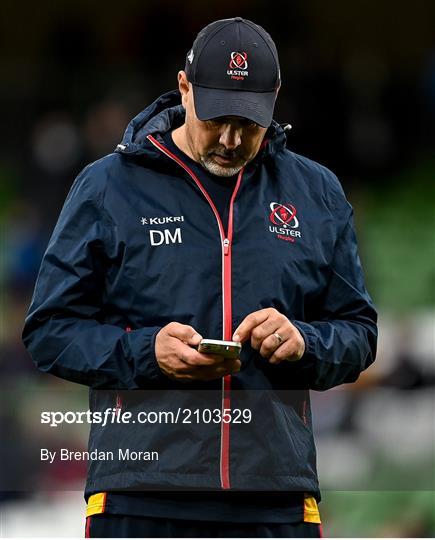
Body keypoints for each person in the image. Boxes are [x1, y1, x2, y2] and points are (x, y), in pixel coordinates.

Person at [23, 17, 378, 538]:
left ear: (276, 98)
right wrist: (146, 352)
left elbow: (359, 333)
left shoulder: (317, 193)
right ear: (184, 88)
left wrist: (305, 341)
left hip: (275, 496)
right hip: (139, 495)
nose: (232, 140)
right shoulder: (107, 187)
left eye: (250, 122)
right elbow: (49, 330)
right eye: (217, 119)